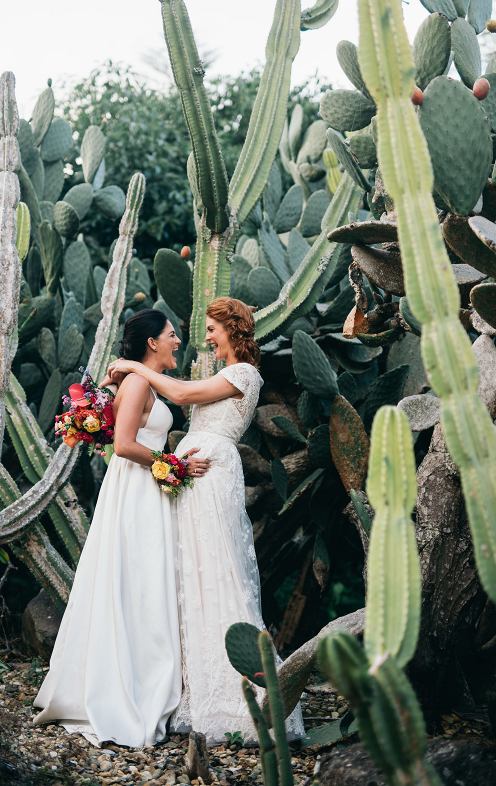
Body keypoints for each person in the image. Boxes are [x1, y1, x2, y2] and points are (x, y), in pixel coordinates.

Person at [106, 298, 304, 745]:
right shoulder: (223, 373)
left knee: (217, 572)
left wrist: (131, 367)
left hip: (209, 470)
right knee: (192, 576)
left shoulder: (243, 374)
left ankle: (239, 698)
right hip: (193, 469)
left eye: (212, 328)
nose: (205, 337)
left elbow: (178, 394)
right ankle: (194, 689)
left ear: (233, 329)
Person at [32, 309, 210, 747]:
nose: (177, 341)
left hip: (144, 490)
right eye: (171, 334)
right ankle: (126, 693)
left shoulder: (142, 382)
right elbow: (125, 444)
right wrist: (175, 464)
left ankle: (143, 679)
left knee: (143, 583)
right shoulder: (137, 383)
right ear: (152, 342)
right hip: (135, 490)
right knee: (137, 581)